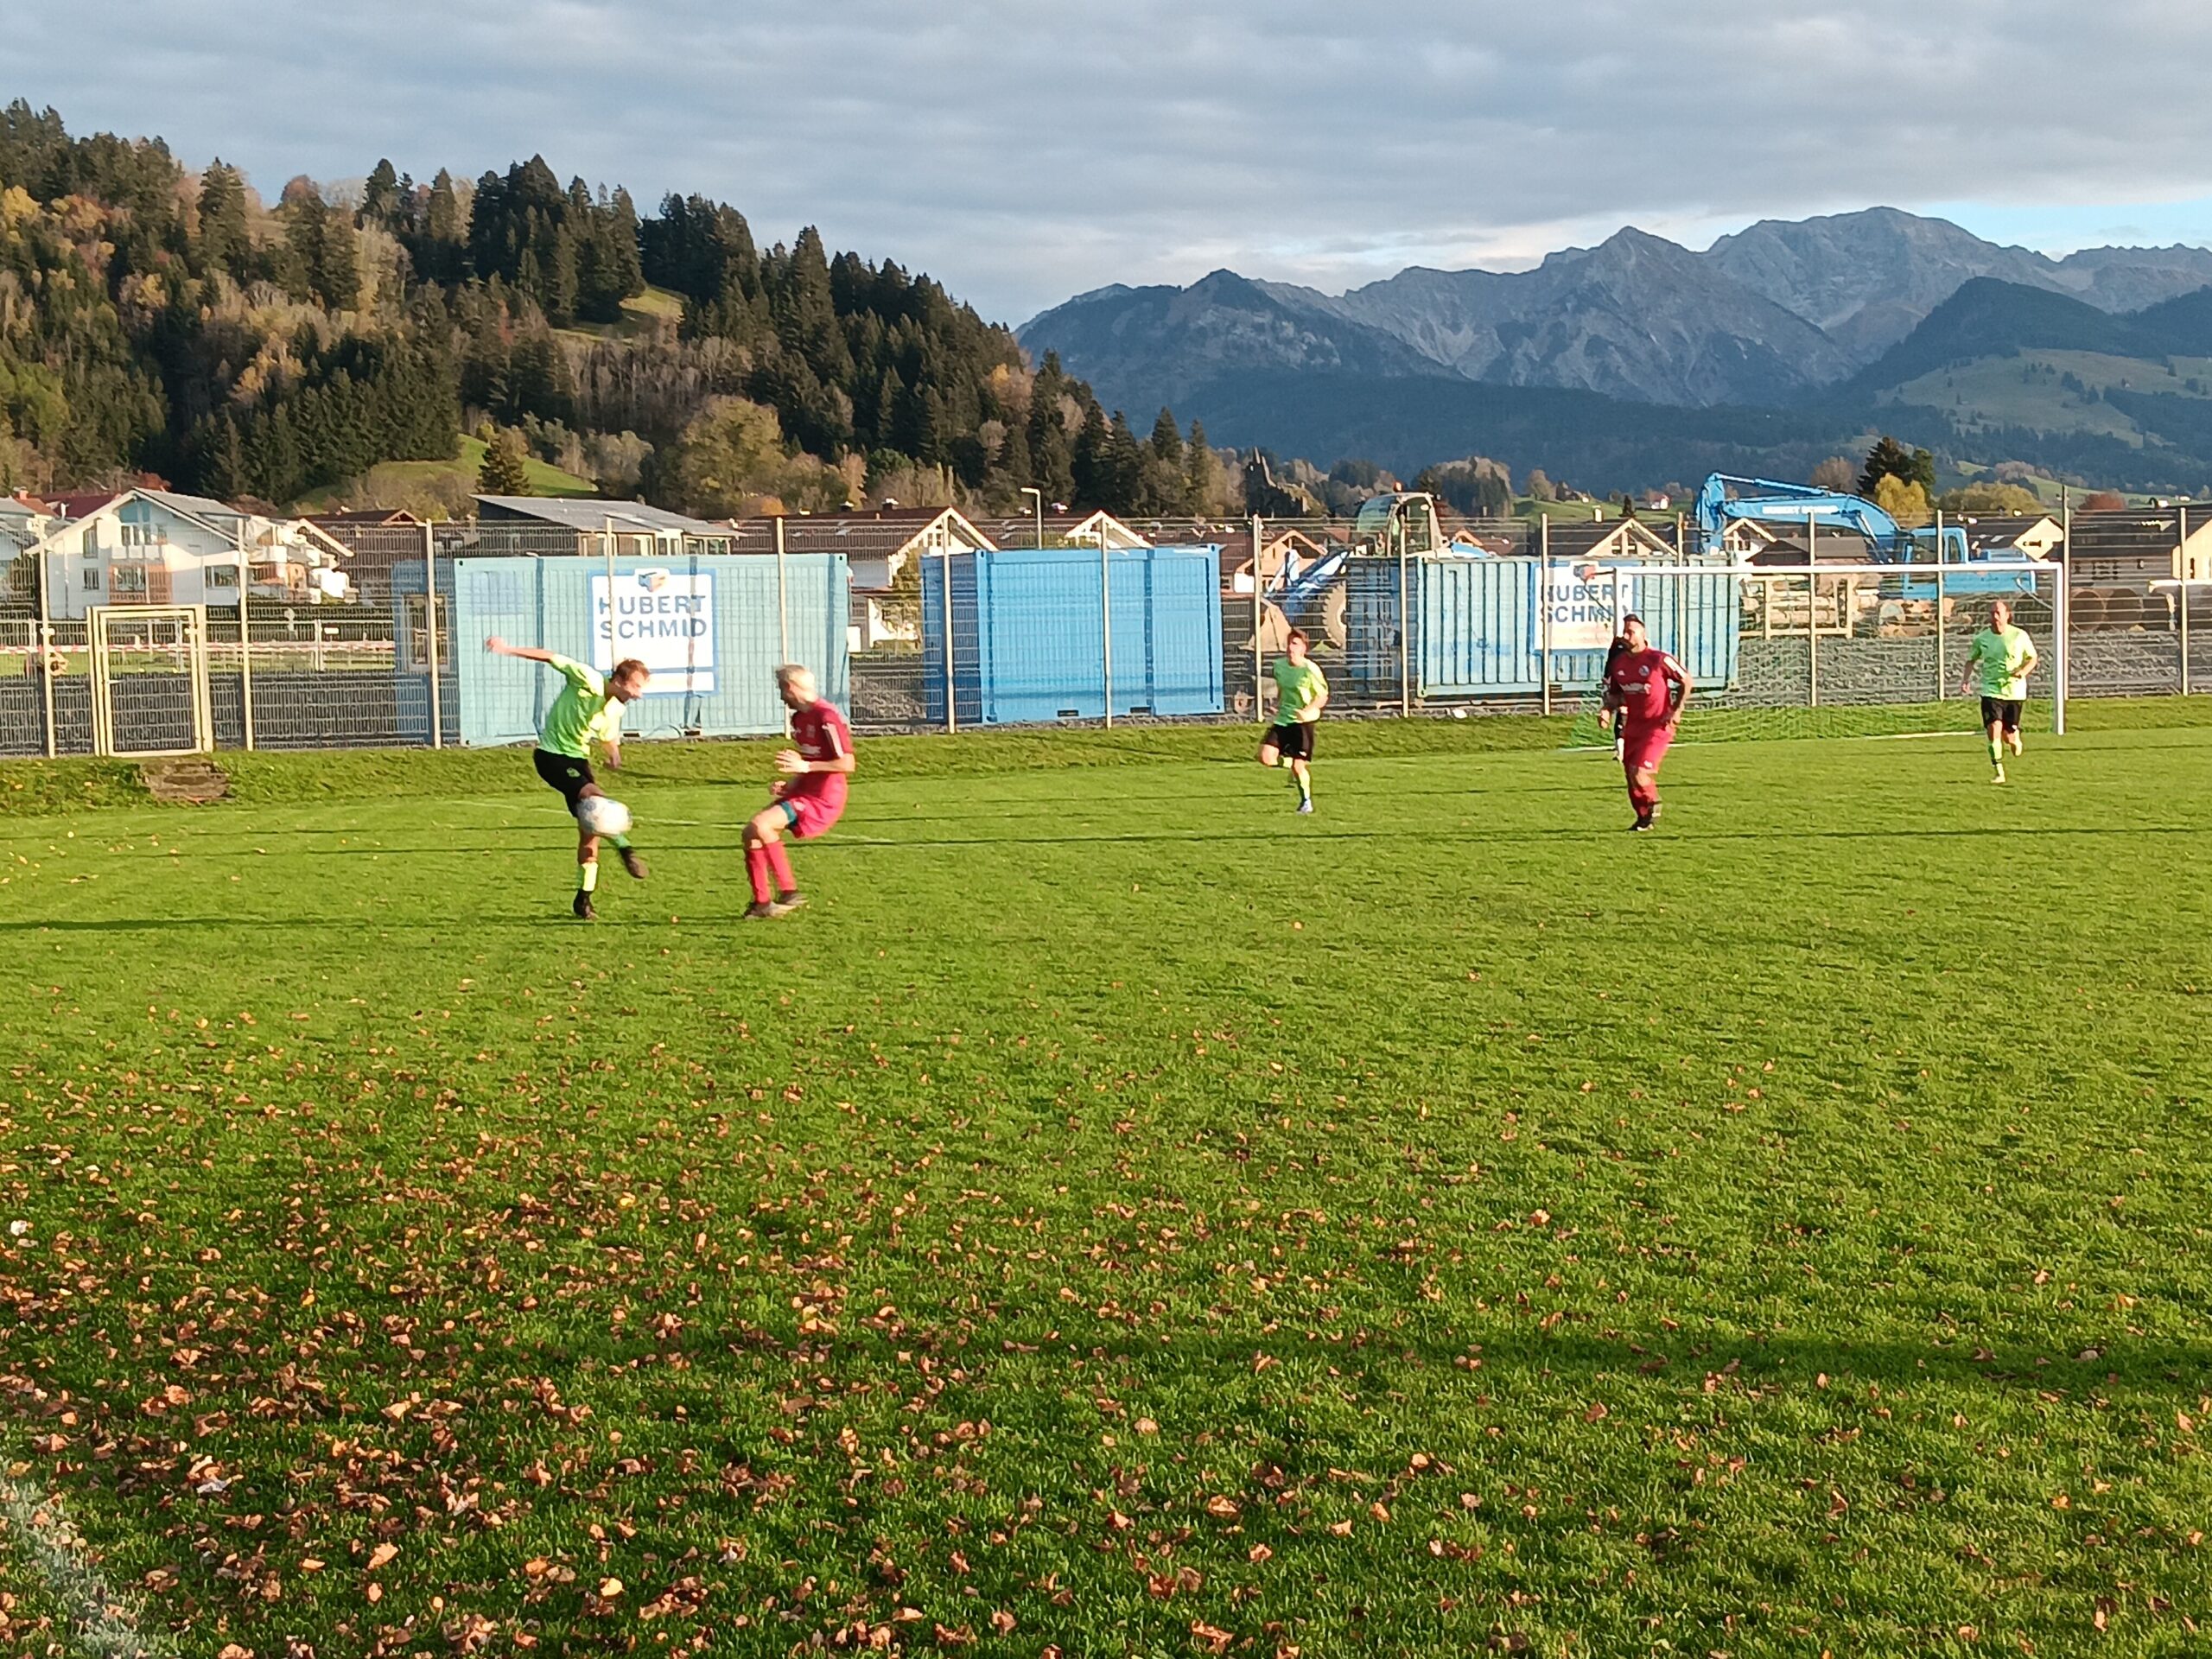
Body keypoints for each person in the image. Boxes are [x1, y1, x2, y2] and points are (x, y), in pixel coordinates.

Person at [485, 636, 650, 919]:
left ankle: (583, 900)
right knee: (595, 800)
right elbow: (549, 656)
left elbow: (607, 736)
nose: (639, 695)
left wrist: (613, 753)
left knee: (591, 831)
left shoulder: (616, 708)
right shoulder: (588, 679)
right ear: (619, 680)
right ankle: (625, 848)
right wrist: (509, 649)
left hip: (578, 761)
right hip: (551, 757)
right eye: (636, 687)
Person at [743, 664, 855, 919]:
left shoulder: (827, 718)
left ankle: (789, 889)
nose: (781, 696)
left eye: (781, 689)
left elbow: (847, 764)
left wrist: (804, 766)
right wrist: (790, 785)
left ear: (790, 688)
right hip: (803, 791)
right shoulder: (800, 719)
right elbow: (808, 765)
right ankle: (762, 903)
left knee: (762, 825)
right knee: (750, 833)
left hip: (823, 797)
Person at [1599, 613, 1689, 831]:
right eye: (1625, 631)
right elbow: (1615, 695)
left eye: (1632, 631)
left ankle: (1653, 803)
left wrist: (1677, 709)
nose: (1627, 635)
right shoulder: (1619, 664)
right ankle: (1643, 819)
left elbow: (1686, 680)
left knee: (1640, 772)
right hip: (1634, 727)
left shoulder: (1658, 660)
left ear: (1643, 634)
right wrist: (1606, 710)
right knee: (1630, 774)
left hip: (1658, 725)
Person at [1960, 598, 2037, 785]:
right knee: (1994, 727)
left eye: (1998, 613)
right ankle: (1999, 772)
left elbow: (2032, 658)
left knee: (2008, 736)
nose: (1994, 617)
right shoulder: (1982, 639)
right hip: (1991, 690)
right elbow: (1971, 660)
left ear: (2007, 615)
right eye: (1991, 613)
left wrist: (2022, 672)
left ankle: (2014, 738)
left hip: (2015, 692)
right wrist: (1965, 680)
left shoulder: (2019, 636)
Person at [1257, 628, 1329, 814]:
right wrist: (1277, 703)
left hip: (1303, 722)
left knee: (1299, 767)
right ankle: (1289, 763)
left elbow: (1322, 696)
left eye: (1295, 644)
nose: (1290, 647)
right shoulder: (1279, 666)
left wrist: (1307, 710)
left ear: (1304, 648)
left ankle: (1306, 802)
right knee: (1265, 757)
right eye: (1289, 643)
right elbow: (1283, 688)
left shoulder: (1310, 669)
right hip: (1284, 719)